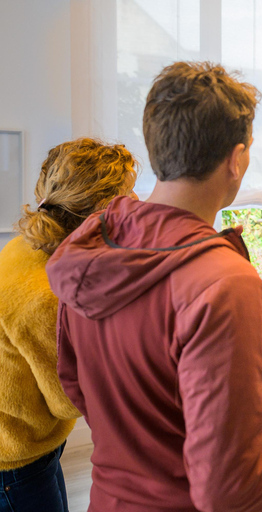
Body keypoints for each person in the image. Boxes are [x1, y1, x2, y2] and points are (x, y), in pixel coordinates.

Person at [47, 62, 262, 511]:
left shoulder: (91, 245)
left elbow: (75, 383)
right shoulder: (223, 280)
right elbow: (229, 487)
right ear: (236, 159)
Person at [0, 138, 137, 512]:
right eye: (128, 193)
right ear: (98, 209)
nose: (137, 202)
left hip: (30, 444)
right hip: (13, 461)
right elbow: (66, 400)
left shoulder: (26, 247)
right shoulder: (45, 294)